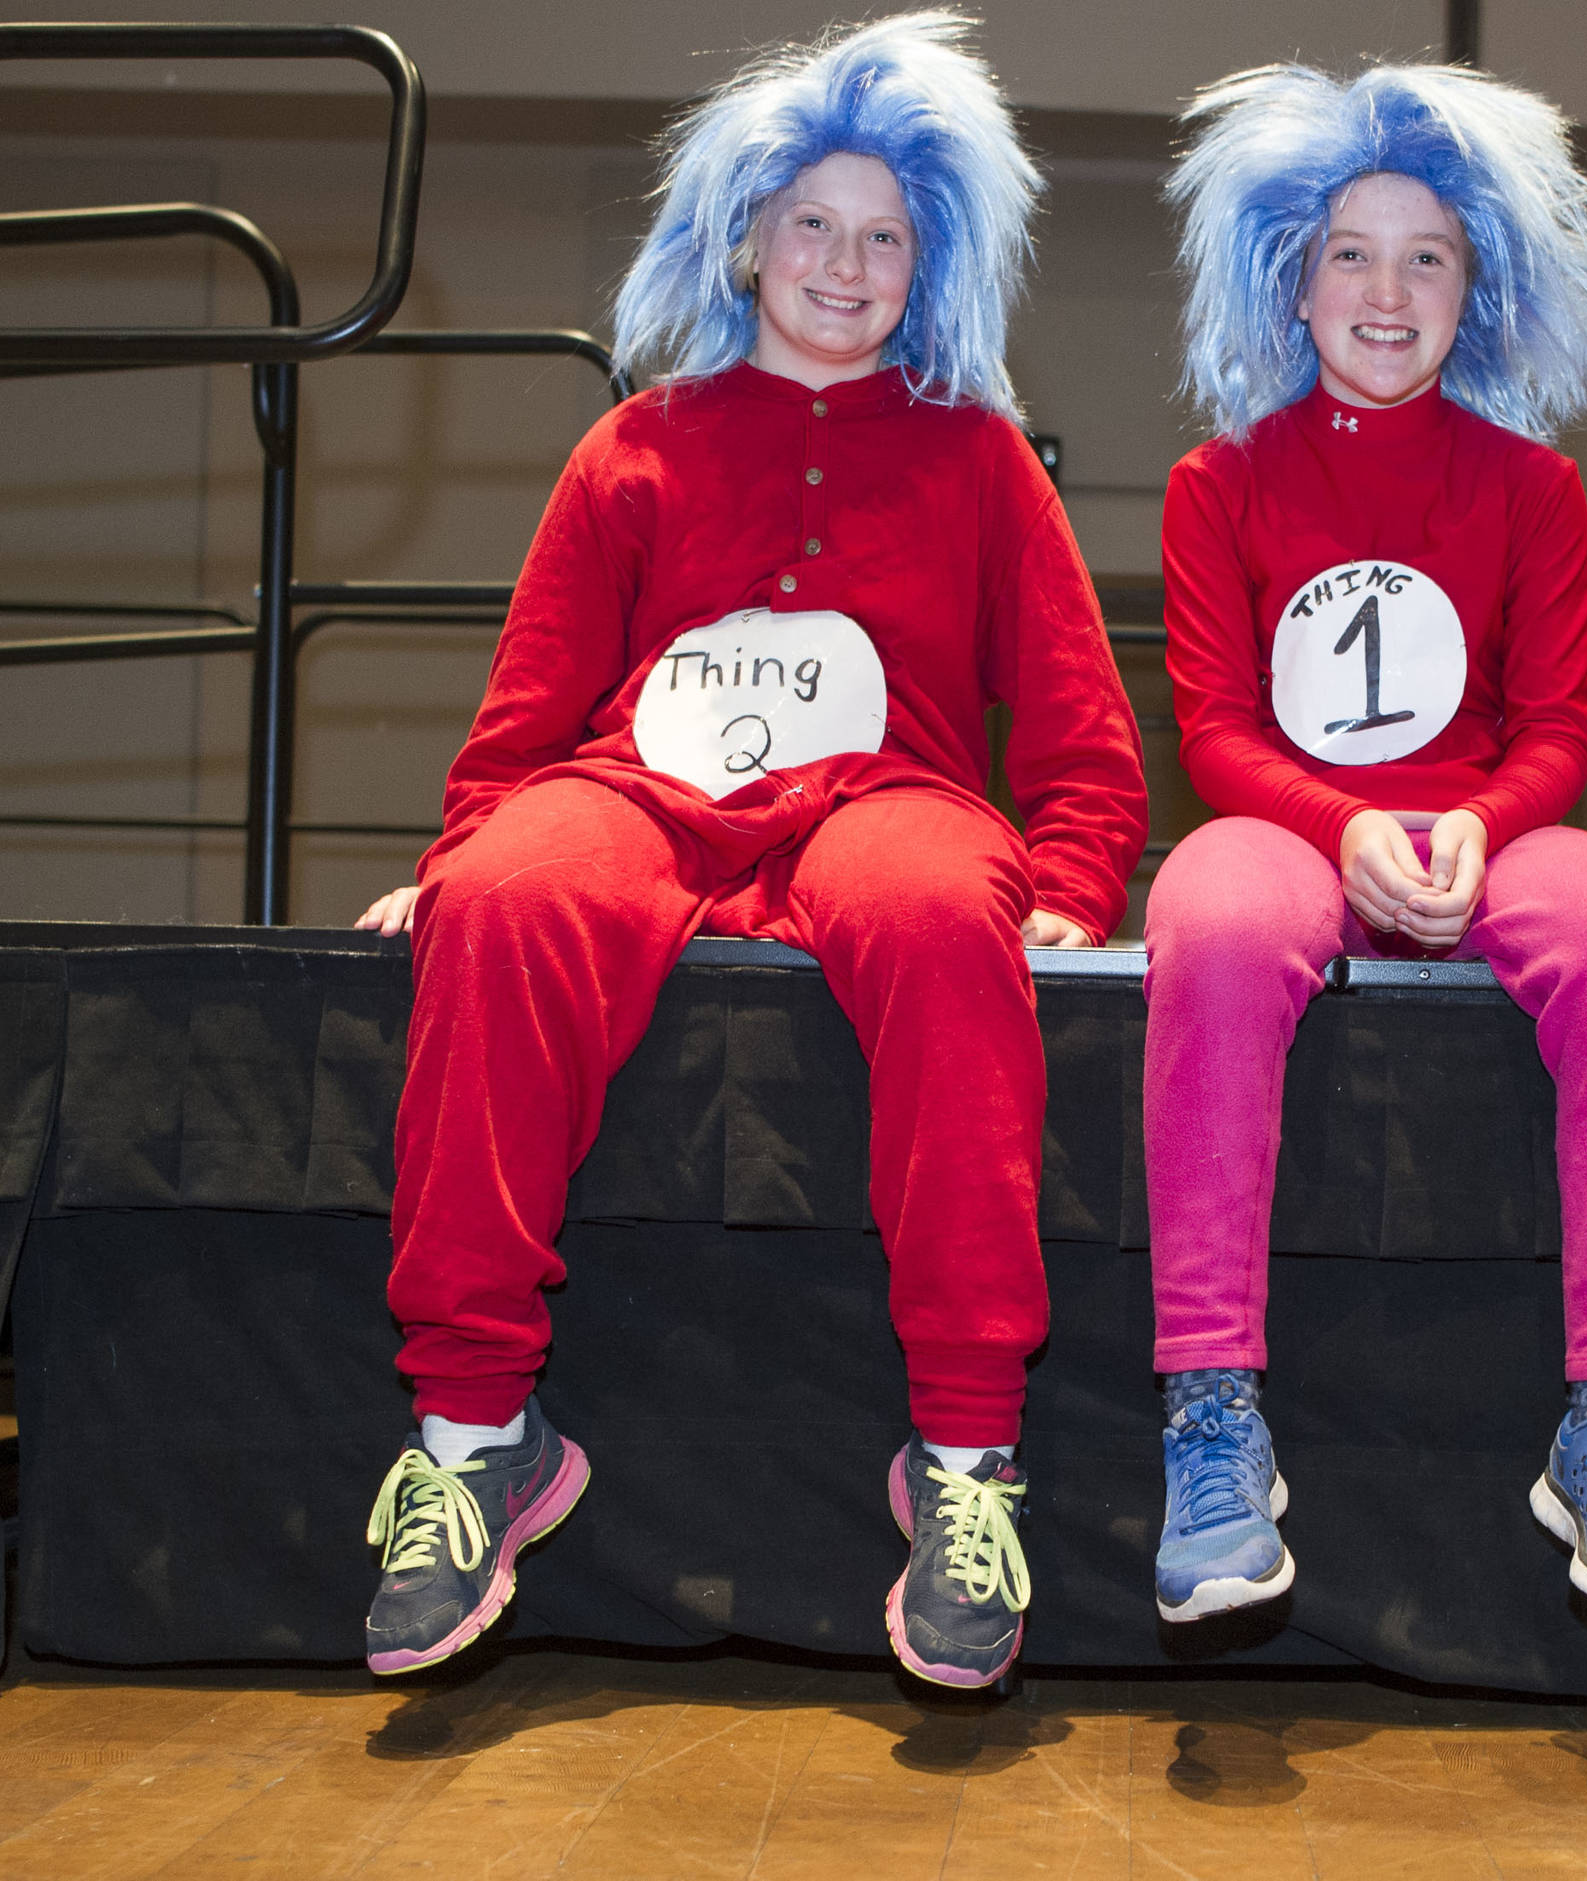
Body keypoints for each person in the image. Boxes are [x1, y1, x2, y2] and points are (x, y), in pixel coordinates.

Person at [354, 11, 1146, 1689]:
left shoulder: (980, 457)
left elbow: (1078, 718)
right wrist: (460, 851)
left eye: (885, 236)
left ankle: (965, 1462)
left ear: (926, 265)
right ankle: (476, 1428)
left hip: (887, 799)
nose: (846, 264)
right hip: (637, 792)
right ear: (744, 233)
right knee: (500, 898)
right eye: (813, 224)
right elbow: (531, 700)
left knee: (946, 916)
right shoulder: (632, 445)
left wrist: (1074, 878)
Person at [1144, 61, 1587, 1631]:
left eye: (1428, 257)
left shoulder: (1533, 486)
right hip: (1286, 828)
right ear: (1291, 277)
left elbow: (1557, 729)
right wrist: (1347, 829)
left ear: (1482, 289)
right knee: (1200, 917)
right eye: (1350, 253)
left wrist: (1466, 822)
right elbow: (1211, 730)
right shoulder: (1219, 483)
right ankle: (1210, 1415)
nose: (1386, 291)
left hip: (1487, 828)